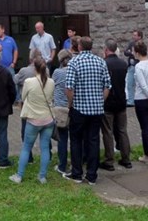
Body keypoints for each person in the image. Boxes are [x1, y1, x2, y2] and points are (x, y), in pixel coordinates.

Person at [64, 36, 111, 185]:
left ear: (79, 47)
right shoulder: (100, 62)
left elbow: (69, 87)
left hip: (79, 108)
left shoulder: (74, 62)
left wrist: (70, 103)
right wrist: (100, 101)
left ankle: (77, 173)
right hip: (96, 109)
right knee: (93, 141)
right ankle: (92, 175)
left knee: (76, 140)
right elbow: (107, 85)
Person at [9, 56, 55, 184]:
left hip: (33, 119)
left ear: (34, 68)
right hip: (48, 119)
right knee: (45, 148)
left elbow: (23, 97)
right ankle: (42, 176)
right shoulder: (51, 82)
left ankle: (19, 175)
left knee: (26, 147)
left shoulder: (29, 82)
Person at [100, 39, 132, 171]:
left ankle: (109, 160)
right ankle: (126, 158)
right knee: (122, 130)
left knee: (108, 132)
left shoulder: (104, 64)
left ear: (106, 50)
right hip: (121, 101)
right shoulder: (123, 64)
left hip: (108, 102)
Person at [51, 49, 72, 174]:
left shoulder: (57, 72)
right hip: (72, 107)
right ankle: (76, 163)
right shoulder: (74, 70)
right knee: (75, 138)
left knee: (62, 138)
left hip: (60, 109)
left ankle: (62, 165)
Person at [123, 30, 143, 107]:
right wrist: (131, 53)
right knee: (129, 83)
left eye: (135, 35)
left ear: (139, 36)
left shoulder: (141, 44)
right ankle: (131, 101)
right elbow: (125, 52)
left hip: (138, 65)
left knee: (140, 83)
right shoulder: (131, 43)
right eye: (133, 35)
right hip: (131, 66)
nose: (133, 36)